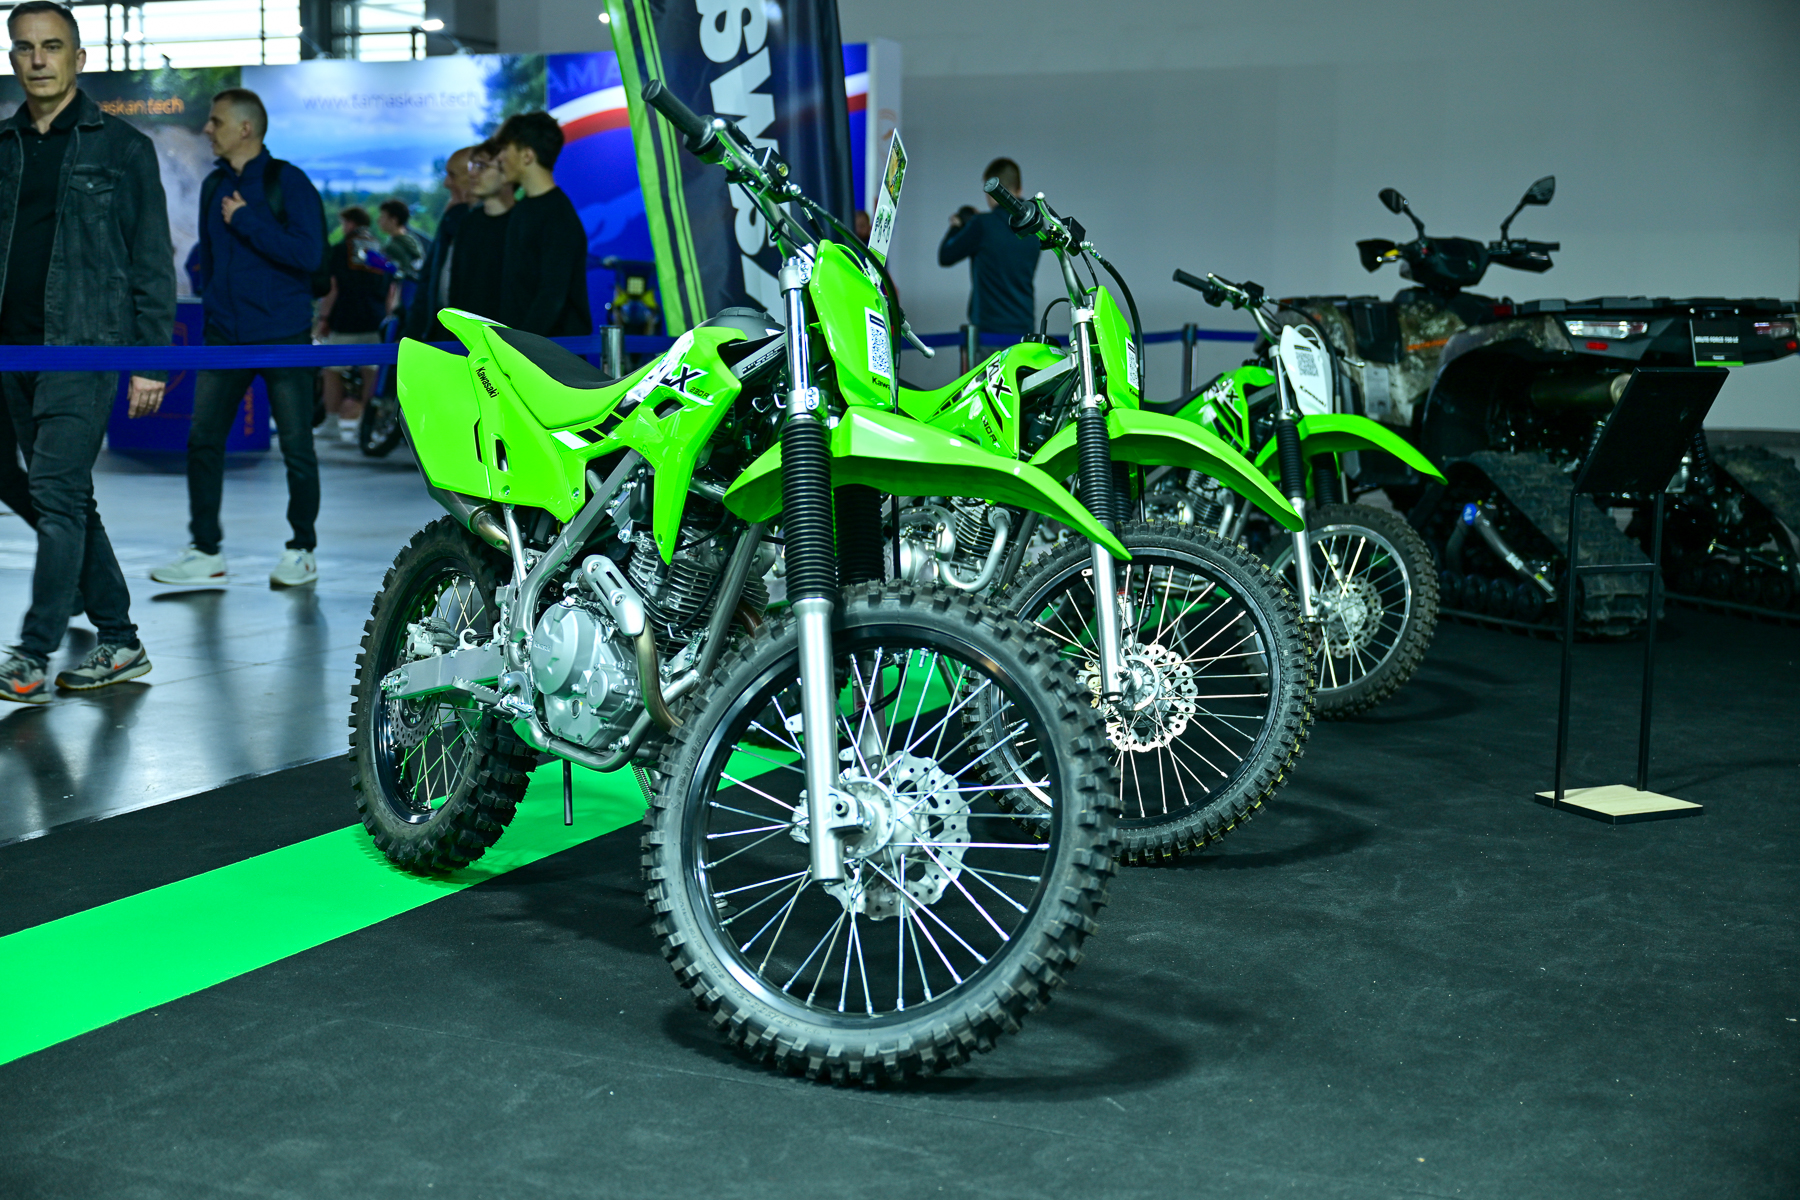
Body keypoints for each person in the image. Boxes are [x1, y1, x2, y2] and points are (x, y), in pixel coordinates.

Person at [0, 1, 174, 703]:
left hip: (83, 348)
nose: (38, 59)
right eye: (25, 47)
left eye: (52, 46)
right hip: (10, 354)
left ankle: (32, 654)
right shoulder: (3, 146)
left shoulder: (123, 148)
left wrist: (151, 360)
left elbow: (151, 259)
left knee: (56, 492)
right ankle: (120, 638)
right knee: (60, 494)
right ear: (13, 58)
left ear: (78, 58)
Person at [151, 87, 327, 589]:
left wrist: (247, 220)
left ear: (246, 128)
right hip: (224, 337)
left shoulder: (288, 181)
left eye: (216, 121)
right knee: (202, 441)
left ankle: (302, 550)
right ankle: (205, 550)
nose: (207, 129)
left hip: (283, 336)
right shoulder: (213, 186)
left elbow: (310, 255)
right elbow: (207, 260)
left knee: (297, 447)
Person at [494, 112, 591, 337]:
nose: (499, 158)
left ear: (527, 155)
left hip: (551, 353)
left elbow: (552, 296)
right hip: (519, 348)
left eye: (505, 149)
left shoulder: (559, 216)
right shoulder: (522, 209)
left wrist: (519, 346)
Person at [938, 156, 1041, 336]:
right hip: (1024, 331)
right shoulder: (1036, 228)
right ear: (1019, 188)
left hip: (988, 334)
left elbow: (945, 256)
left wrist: (957, 226)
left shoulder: (983, 225)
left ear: (991, 191)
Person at [314, 205, 391, 441]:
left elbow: (333, 287)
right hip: (375, 320)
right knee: (371, 372)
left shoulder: (341, 249)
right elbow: (390, 288)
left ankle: (331, 422)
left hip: (346, 318)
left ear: (349, 223)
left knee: (332, 370)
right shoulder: (378, 249)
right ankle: (365, 424)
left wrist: (323, 318)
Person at [405, 145, 478, 343]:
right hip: (441, 332)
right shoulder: (451, 218)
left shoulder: (490, 227)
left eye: (452, 175)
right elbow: (429, 281)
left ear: (475, 175)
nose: (446, 183)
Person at [444, 139, 515, 321]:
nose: (473, 174)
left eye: (482, 166)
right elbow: (456, 286)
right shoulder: (468, 222)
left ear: (507, 170)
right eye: (472, 166)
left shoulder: (523, 223)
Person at [375, 198, 424, 325]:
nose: (379, 220)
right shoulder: (412, 241)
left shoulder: (393, 247)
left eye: (383, 216)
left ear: (394, 220)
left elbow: (393, 278)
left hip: (400, 302)